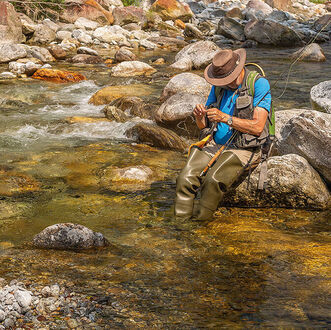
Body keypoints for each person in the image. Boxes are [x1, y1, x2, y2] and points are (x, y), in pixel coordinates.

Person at [174, 48, 272, 221]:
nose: (222, 83)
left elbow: (257, 127)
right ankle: (180, 225)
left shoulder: (259, 84)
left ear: (237, 71)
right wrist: (200, 117)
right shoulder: (218, 87)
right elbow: (204, 127)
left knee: (212, 181)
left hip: (245, 147)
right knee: (185, 178)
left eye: (225, 79)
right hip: (215, 143)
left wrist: (225, 118)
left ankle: (200, 226)